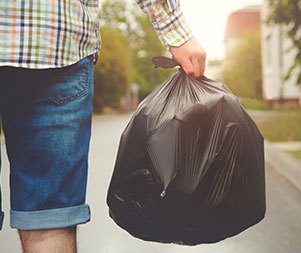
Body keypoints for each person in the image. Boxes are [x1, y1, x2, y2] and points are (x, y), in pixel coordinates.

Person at [0, 0, 206, 252]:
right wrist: (175, 30)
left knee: (52, 216)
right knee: (50, 218)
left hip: (56, 47)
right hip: (55, 41)